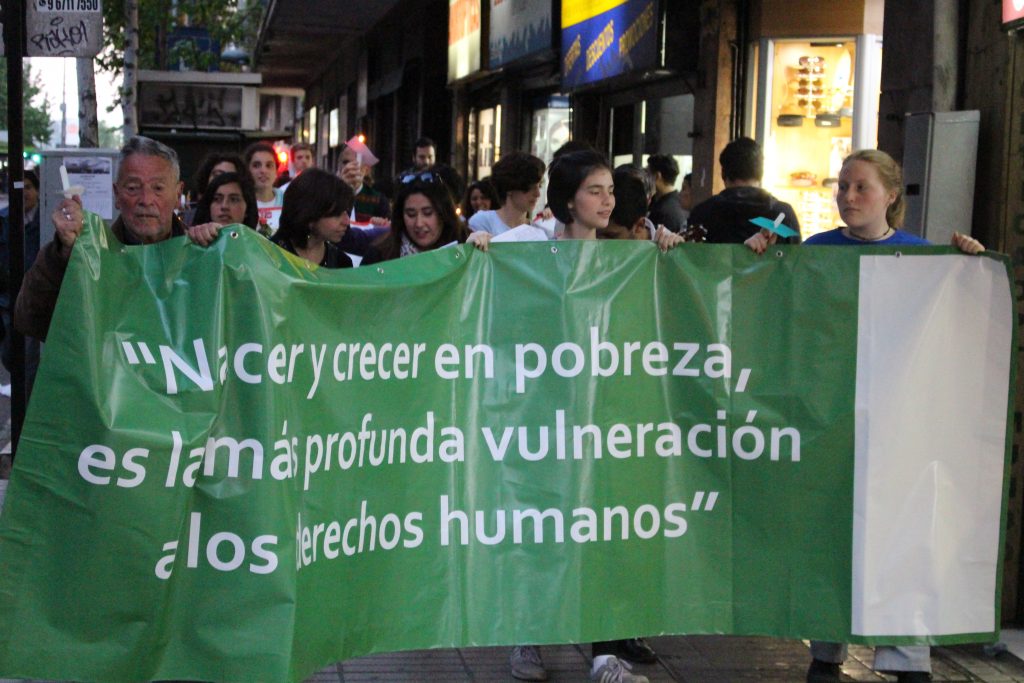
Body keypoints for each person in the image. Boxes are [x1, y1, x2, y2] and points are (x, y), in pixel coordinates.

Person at [744, 149, 983, 683]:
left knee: (902, 533)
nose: (848, 197)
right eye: (843, 187)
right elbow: (781, 316)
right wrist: (761, 260)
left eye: (861, 188)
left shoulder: (923, 258)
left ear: (891, 196)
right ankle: (826, 649)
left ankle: (907, 655)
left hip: (899, 424)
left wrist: (972, 264)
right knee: (830, 532)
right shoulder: (816, 251)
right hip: (830, 422)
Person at [15, 136, 220, 342]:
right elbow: (30, 320)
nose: (146, 200)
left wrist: (219, 249)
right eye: (133, 188)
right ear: (116, 195)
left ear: (178, 194)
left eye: (158, 188)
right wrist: (63, 256)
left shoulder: (198, 252)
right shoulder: (95, 256)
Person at [688, 137, 800, 244]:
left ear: (723, 174)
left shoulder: (703, 213)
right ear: (761, 173)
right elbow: (798, 256)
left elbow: (689, 255)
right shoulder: (783, 215)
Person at [362, 172, 486, 264]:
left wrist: (478, 252)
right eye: (411, 214)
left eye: (428, 213)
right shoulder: (379, 256)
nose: (419, 223)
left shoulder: (466, 245)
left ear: (443, 213)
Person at [0, 169, 41, 387]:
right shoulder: (3, 219)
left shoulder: (45, 220)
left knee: (29, 359)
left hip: (33, 300)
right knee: (9, 355)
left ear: (37, 191)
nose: (24, 193)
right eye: (19, 187)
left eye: (28, 187)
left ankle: (27, 400)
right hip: (7, 299)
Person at [270, 168, 354, 268]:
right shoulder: (269, 255)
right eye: (337, 214)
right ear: (309, 214)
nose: (346, 221)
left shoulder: (341, 262)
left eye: (347, 212)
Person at [468, 152, 545, 236]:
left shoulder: (539, 232)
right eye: (530, 187)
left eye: (539, 186)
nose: (537, 194)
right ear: (510, 187)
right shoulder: (482, 222)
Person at [340, 139, 390, 225]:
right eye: (345, 162)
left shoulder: (379, 201)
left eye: (355, 163)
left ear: (366, 170)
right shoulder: (330, 195)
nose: (349, 167)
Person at [190, 172, 260, 233]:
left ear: (247, 209)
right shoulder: (191, 242)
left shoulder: (259, 243)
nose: (224, 206)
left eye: (233, 200)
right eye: (217, 199)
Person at [245, 141, 286, 235]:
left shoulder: (289, 201)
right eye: (256, 165)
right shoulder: (240, 202)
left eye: (269, 165)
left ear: (276, 171)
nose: (263, 170)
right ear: (247, 170)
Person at [645, 154, 688, 233]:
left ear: (657, 176)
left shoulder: (664, 212)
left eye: (647, 174)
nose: (645, 179)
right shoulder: (678, 203)